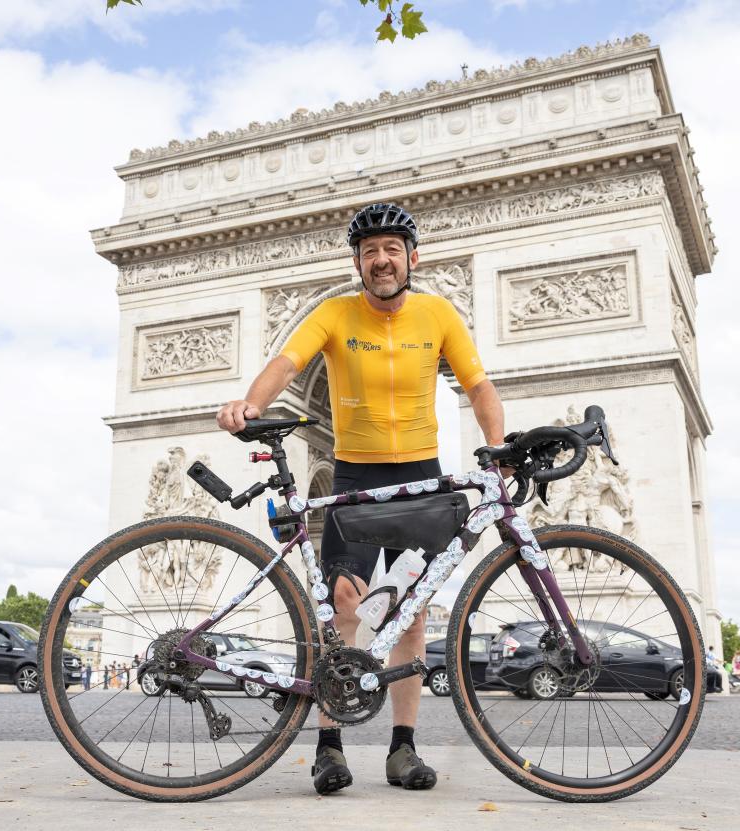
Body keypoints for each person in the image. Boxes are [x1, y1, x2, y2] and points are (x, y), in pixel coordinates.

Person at [217, 202, 507, 796]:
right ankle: (330, 747)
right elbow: (287, 362)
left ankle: (403, 749)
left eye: (392, 250)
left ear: (412, 258)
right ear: (357, 262)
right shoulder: (332, 313)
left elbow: (478, 386)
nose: (381, 260)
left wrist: (497, 448)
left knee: (412, 614)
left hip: (421, 478)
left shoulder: (440, 314)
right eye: (370, 251)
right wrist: (249, 401)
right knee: (343, 609)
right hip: (353, 478)